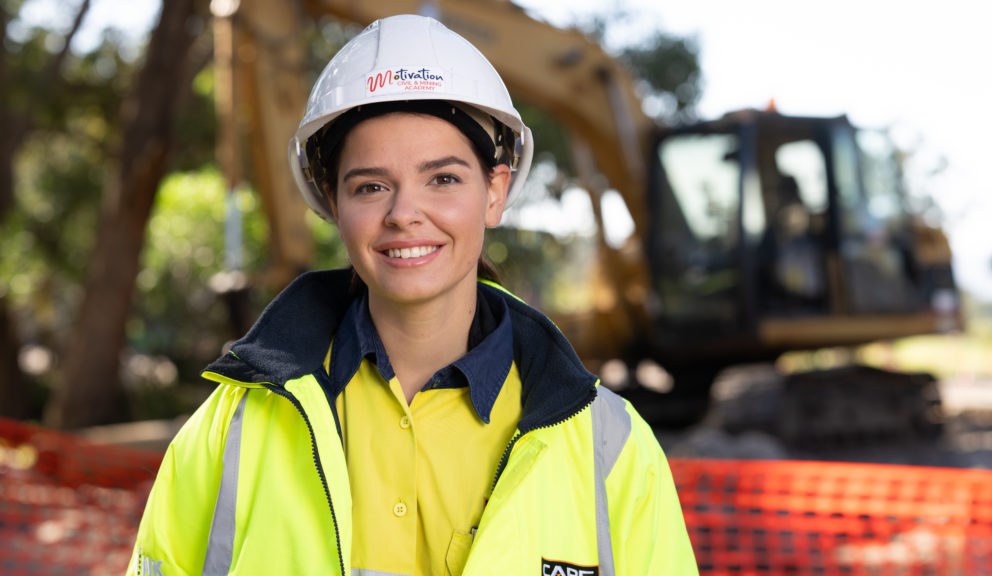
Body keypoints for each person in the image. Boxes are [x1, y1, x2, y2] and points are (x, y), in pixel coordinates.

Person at [127, 14, 697, 576]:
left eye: (443, 179)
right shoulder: (235, 426)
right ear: (333, 203)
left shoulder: (608, 445)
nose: (404, 215)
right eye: (371, 186)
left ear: (495, 192)